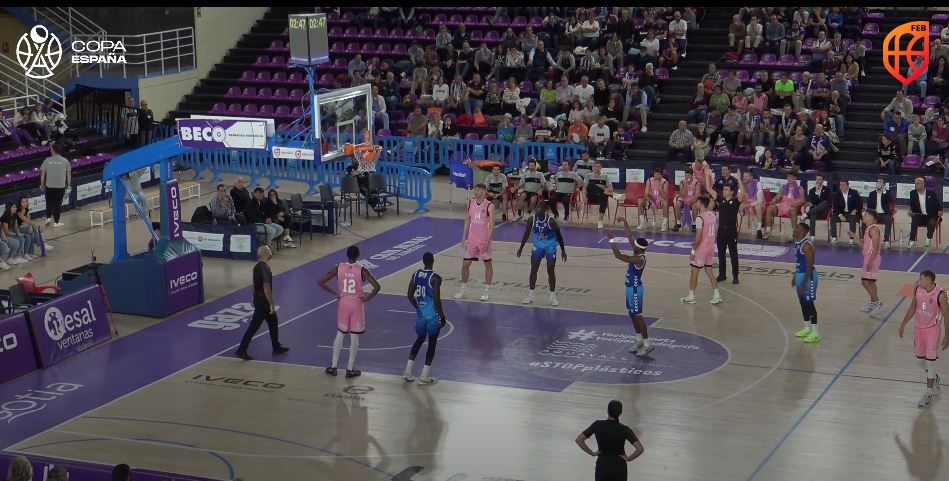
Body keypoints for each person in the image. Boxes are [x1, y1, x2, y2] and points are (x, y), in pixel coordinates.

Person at [319, 245, 381, 378]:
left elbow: (321, 282)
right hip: (356, 303)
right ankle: (349, 369)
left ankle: (334, 366)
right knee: (354, 336)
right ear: (358, 255)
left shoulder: (339, 267)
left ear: (347, 255)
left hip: (343, 303)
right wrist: (368, 299)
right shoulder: (362, 270)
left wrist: (335, 293)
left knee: (340, 334)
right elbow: (377, 286)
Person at [898, 270, 949, 407]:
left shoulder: (941, 295)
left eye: (921, 279)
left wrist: (947, 335)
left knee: (930, 363)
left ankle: (929, 392)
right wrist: (903, 323)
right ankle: (935, 377)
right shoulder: (917, 290)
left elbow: (947, 315)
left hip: (932, 330)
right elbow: (912, 307)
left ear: (930, 281)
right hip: (918, 329)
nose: (919, 281)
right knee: (921, 361)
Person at [235, 246, 290, 361]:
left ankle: (276, 346)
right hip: (263, 302)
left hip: (259, 299)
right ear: (265, 254)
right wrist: (271, 304)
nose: (271, 252)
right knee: (254, 327)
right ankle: (241, 350)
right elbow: (266, 288)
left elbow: (255, 283)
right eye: (270, 251)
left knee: (273, 322)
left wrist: (252, 296)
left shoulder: (258, 267)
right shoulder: (264, 268)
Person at [609, 223, 654, 357]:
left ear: (638, 248)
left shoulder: (638, 259)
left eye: (634, 245)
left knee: (638, 317)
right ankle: (639, 339)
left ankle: (647, 343)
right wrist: (624, 222)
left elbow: (618, 255)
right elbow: (630, 236)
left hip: (635, 290)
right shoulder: (638, 252)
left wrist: (611, 239)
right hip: (630, 288)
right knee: (632, 314)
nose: (631, 244)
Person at [404, 252, 447, 385]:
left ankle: (407, 371)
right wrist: (442, 316)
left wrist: (418, 307)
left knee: (419, 339)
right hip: (433, 316)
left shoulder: (416, 274)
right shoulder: (435, 278)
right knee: (432, 343)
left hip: (421, 315)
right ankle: (424, 376)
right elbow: (436, 300)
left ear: (423, 261)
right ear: (433, 261)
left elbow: (409, 295)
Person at [575, 400, 645, 481]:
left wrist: (592, 453)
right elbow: (640, 449)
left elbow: (579, 440)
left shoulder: (597, 425)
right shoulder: (625, 429)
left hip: (602, 466)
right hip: (619, 467)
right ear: (620, 412)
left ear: (607, 411)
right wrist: (629, 458)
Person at [517, 201, 567, 306]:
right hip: (538, 246)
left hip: (550, 246)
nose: (538, 209)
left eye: (540, 208)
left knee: (550, 269)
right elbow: (526, 234)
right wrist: (521, 247)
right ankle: (531, 295)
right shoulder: (531, 220)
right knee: (533, 269)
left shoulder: (552, 222)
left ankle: (552, 296)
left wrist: (563, 250)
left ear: (546, 210)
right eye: (537, 207)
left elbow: (560, 237)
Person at [455, 183, 496, 301]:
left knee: (488, 265)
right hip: (472, 240)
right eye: (475, 189)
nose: (476, 191)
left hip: (484, 241)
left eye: (478, 190)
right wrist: (464, 236)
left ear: (484, 192)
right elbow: (467, 220)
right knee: (465, 265)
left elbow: (492, 226)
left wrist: (488, 242)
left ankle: (487, 291)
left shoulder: (489, 206)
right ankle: (463, 288)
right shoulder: (470, 203)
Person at [681, 196, 722, 305]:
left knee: (694, 273)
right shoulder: (712, 215)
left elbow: (698, 238)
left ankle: (691, 296)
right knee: (709, 271)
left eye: (697, 202)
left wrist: (693, 251)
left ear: (701, 203)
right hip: (711, 247)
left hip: (702, 249)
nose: (695, 204)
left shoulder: (700, 218)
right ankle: (717, 295)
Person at [706, 171, 742, 284]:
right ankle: (722, 274)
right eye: (723, 189)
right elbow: (708, 189)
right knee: (721, 253)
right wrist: (707, 175)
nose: (723, 191)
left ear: (731, 192)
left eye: (726, 190)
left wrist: (739, 179)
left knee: (733, 254)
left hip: (731, 230)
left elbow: (743, 193)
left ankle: (735, 276)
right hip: (721, 230)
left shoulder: (736, 201)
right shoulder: (720, 200)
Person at [849, 210, 884, 317]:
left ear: (873, 218)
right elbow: (863, 245)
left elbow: (876, 246)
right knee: (871, 282)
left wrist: (870, 261)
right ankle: (873, 304)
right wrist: (854, 236)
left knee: (865, 282)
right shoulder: (868, 229)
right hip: (868, 257)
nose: (863, 216)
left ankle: (878, 303)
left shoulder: (873, 229)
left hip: (872, 258)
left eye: (866, 215)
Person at [792, 222, 821, 343]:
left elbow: (810, 265)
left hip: (809, 277)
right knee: (803, 303)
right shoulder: (797, 244)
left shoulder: (807, 246)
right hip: (800, 276)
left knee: (810, 303)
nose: (794, 229)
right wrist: (795, 276)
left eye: (797, 228)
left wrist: (805, 282)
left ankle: (815, 332)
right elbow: (798, 261)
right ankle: (807, 328)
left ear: (803, 232)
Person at [762, 172, 804, 241]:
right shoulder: (784, 187)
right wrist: (774, 200)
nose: (789, 179)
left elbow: (803, 200)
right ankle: (768, 231)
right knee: (769, 208)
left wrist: (797, 204)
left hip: (792, 207)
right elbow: (778, 196)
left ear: (795, 178)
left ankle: (794, 233)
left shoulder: (800, 188)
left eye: (790, 177)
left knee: (793, 209)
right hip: (782, 206)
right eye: (788, 177)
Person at [40, 142, 71, 227]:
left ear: (53, 150)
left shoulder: (47, 160)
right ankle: (56, 222)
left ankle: (48, 218)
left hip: (49, 186)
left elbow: (43, 173)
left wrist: (42, 184)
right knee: (57, 204)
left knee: (48, 203)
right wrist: (69, 185)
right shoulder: (65, 161)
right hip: (60, 187)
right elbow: (68, 174)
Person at [907, 177, 941, 248]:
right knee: (914, 219)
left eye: (918, 183)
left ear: (923, 184)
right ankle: (912, 240)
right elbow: (912, 205)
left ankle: (928, 238)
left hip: (931, 215)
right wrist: (911, 211)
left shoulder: (931, 193)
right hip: (920, 215)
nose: (916, 185)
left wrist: (940, 211)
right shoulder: (912, 193)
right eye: (915, 184)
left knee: (931, 223)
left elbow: (938, 204)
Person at [830, 179, 863, 247]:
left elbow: (859, 204)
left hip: (851, 213)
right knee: (833, 218)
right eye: (840, 185)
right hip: (841, 213)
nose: (841, 187)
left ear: (848, 186)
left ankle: (851, 239)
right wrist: (840, 215)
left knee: (853, 218)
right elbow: (835, 207)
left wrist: (855, 210)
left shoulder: (854, 192)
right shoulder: (836, 194)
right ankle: (834, 237)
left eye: (843, 185)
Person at [584, 160, 614, 229]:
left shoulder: (605, 176)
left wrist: (605, 191)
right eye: (594, 166)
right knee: (591, 185)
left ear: (601, 168)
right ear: (592, 168)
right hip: (591, 196)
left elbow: (611, 189)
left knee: (604, 197)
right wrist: (584, 196)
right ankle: (610, 194)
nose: (596, 168)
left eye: (598, 166)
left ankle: (600, 220)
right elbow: (584, 188)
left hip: (600, 197)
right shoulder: (588, 175)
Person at [800, 173, 830, 242]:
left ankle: (806, 214)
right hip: (814, 211)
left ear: (823, 181)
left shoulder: (827, 190)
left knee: (824, 203)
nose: (818, 181)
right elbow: (811, 203)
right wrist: (816, 192)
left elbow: (827, 202)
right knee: (813, 214)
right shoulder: (811, 191)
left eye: (820, 179)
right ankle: (812, 236)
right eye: (817, 179)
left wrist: (816, 205)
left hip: (823, 211)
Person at [865, 177, 893, 248]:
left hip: (884, 214)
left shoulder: (886, 193)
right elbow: (869, 206)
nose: (879, 183)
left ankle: (886, 240)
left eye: (881, 182)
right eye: (878, 182)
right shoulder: (872, 194)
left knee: (888, 219)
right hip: (875, 215)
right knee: (865, 220)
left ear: (884, 184)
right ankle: (867, 240)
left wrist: (883, 190)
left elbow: (890, 200)